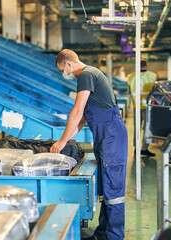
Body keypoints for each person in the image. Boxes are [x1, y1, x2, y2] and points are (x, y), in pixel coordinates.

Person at [50, 49, 128, 240]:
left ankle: (115, 236)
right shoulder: (92, 74)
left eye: (62, 70)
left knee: (113, 189)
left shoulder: (85, 75)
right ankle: (103, 234)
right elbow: (83, 119)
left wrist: (61, 141)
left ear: (68, 64)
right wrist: (65, 139)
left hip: (111, 137)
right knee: (107, 188)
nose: (64, 74)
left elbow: (76, 111)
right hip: (107, 137)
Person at [127, 60, 156, 156]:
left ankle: (136, 147)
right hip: (148, 107)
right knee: (148, 128)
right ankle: (144, 148)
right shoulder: (152, 76)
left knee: (137, 128)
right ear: (146, 66)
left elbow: (129, 91)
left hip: (136, 106)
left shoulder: (131, 77)